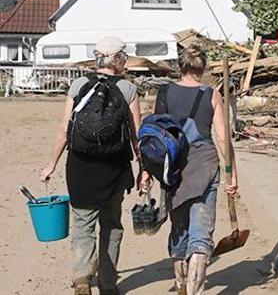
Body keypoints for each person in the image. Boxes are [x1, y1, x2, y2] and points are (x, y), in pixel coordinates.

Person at [40, 36, 149, 295]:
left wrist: (51, 165)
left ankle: (81, 279)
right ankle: (108, 285)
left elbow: (64, 131)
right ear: (118, 59)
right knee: (111, 225)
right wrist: (144, 170)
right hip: (114, 169)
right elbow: (137, 136)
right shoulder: (127, 89)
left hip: (80, 168)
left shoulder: (79, 85)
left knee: (83, 225)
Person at [154, 44, 238, 295]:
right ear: (203, 68)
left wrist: (148, 171)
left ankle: (181, 284)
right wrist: (232, 173)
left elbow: (156, 135)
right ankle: (194, 290)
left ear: (181, 67)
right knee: (201, 232)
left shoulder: (165, 93)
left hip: (174, 168)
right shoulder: (211, 94)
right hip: (205, 164)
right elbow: (223, 138)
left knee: (179, 228)